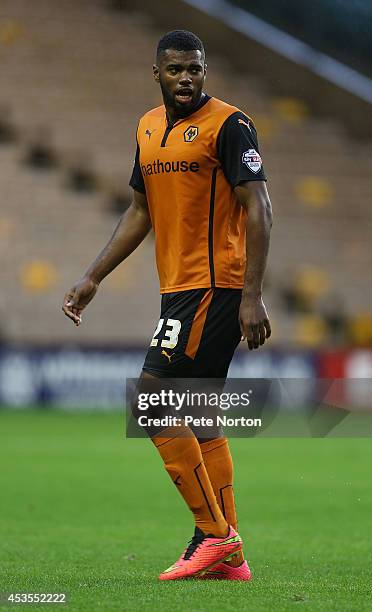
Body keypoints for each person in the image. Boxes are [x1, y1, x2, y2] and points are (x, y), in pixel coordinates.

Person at [62, 29, 273, 581]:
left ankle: (217, 537)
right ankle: (229, 558)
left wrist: (251, 296)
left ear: (205, 72)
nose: (187, 79)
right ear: (156, 73)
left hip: (215, 286)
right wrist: (93, 276)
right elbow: (140, 211)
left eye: (195, 69)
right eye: (176, 70)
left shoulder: (230, 124)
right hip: (178, 288)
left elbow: (261, 208)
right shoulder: (148, 128)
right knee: (199, 417)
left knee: (152, 401)